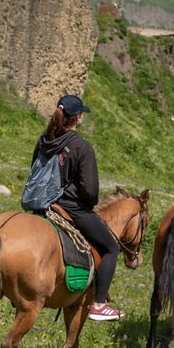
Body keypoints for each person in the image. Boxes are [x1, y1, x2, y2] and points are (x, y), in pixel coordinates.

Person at [30, 94, 123, 321]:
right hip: (72, 209)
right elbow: (90, 192)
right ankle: (99, 304)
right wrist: (88, 205)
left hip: (43, 206)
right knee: (112, 247)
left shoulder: (44, 141)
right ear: (78, 118)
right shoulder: (81, 147)